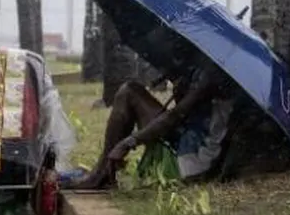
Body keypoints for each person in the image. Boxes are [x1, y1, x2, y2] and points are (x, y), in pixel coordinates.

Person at [71, 60, 237, 190]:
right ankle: (104, 170)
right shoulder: (205, 68)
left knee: (129, 92)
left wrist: (129, 142)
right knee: (130, 91)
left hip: (190, 163)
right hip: (188, 146)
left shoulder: (210, 74)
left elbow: (174, 117)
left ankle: (101, 173)